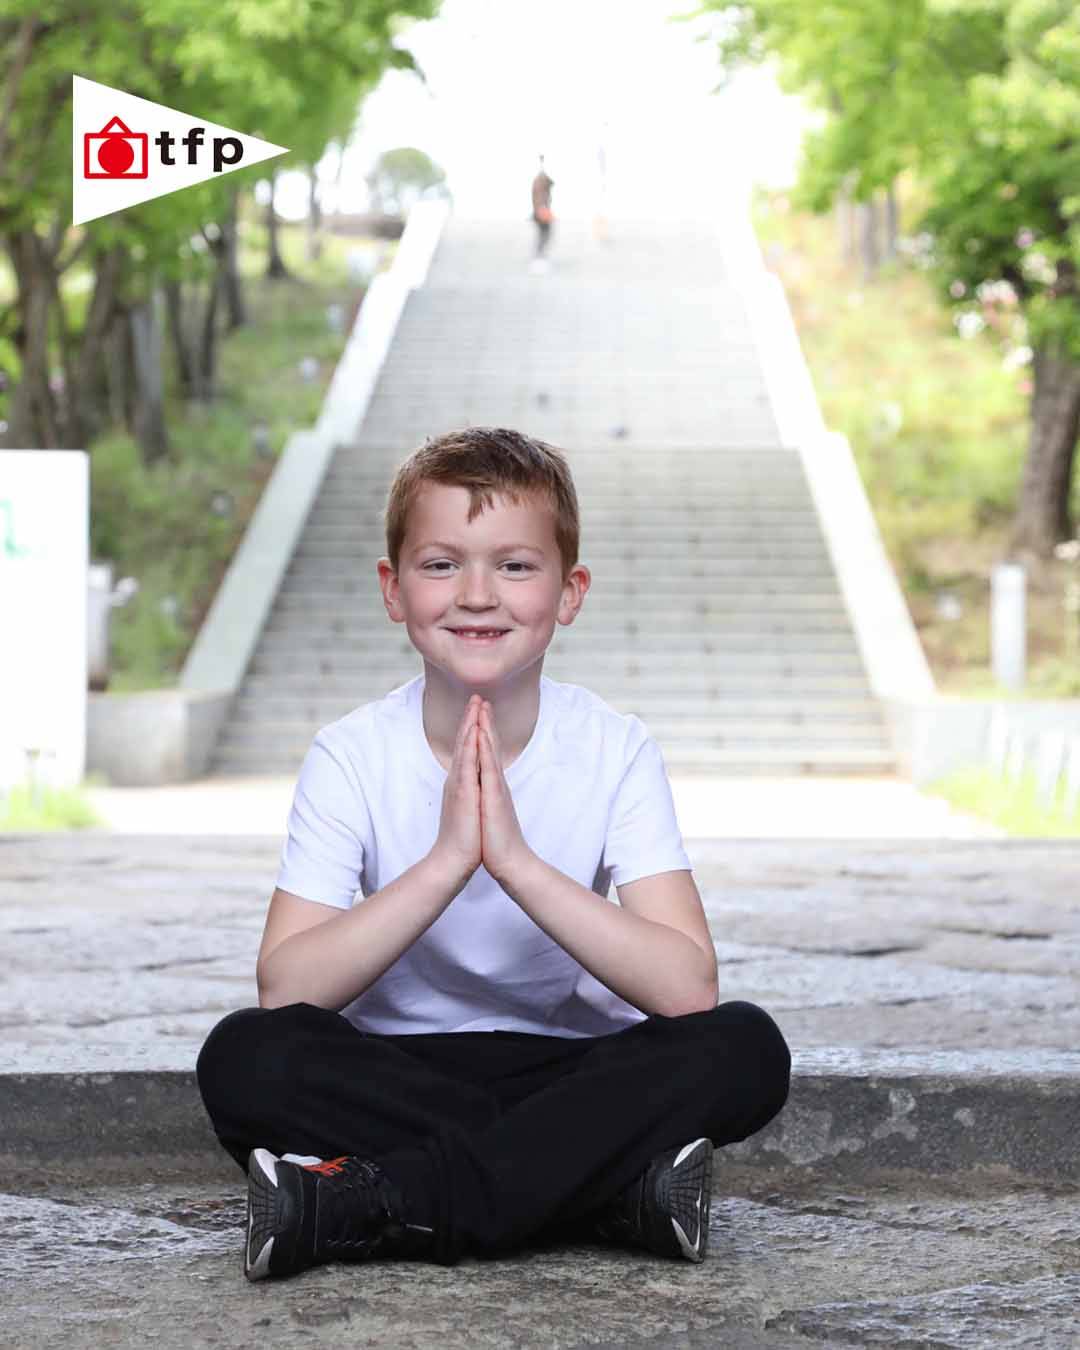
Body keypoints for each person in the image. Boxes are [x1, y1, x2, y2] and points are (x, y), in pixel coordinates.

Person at [196, 425, 791, 1282]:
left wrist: (514, 862)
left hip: (572, 1069)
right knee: (245, 1058)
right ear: (392, 589)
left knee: (744, 1047)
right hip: (397, 1069)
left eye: (515, 566)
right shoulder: (350, 754)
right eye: (441, 565)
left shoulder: (614, 747)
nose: (478, 595)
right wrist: (447, 860)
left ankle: (365, 1201)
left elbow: (687, 988)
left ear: (570, 590)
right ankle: (607, 1190)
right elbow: (288, 988)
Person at [530, 154, 554, 264]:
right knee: (544, 235)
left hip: (542, 212)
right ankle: (539, 257)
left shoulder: (540, 181)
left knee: (544, 235)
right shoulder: (540, 181)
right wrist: (542, 210)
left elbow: (551, 183)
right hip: (541, 213)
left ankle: (539, 256)